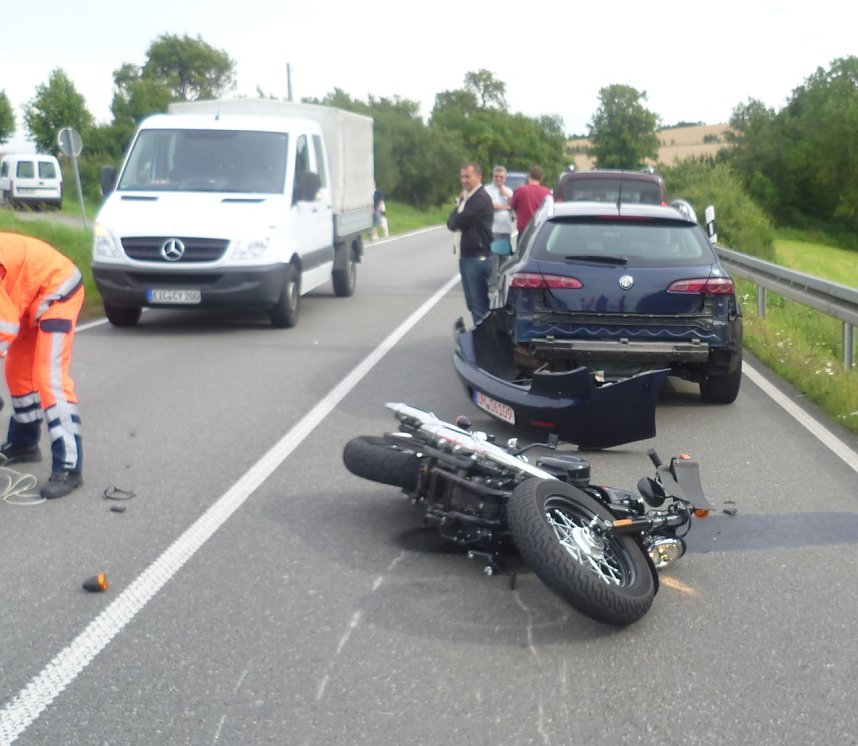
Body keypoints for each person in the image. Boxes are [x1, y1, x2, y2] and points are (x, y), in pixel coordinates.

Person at [0, 232, 84, 499]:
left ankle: (69, 466)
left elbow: (4, 327)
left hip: (58, 291)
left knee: (49, 376)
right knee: (17, 371)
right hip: (24, 299)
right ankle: (25, 444)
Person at [446, 162, 494, 326]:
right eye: (462, 177)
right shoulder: (468, 197)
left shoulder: (479, 198)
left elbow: (457, 222)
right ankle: (481, 339)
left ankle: (483, 343)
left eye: (468, 176)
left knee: (478, 305)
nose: (464, 180)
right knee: (473, 304)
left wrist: (457, 210)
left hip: (476, 257)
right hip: (468, 257)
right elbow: (452, 221)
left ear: (478, 177)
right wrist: (458, 207)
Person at [484, 165, 514, 286]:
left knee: (504, 257)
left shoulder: (509, 191)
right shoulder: (487, 189)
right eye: (496, 176)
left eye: (501, 177)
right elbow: (491, 206)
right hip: (493, 228)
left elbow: (513, 205)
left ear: (505, 178)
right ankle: (493, 283)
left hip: (506, 228)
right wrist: (506, 206)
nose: (498, 179)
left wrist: (506, 197)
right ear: (493, 177)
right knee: (493, 257)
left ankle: (503, 283)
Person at [509, 165, 552, 234]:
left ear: (529, 176)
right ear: (541, 178)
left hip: (524, 229)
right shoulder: (547, 193)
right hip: (540, 229)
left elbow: (513, 206)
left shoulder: (520, 190)